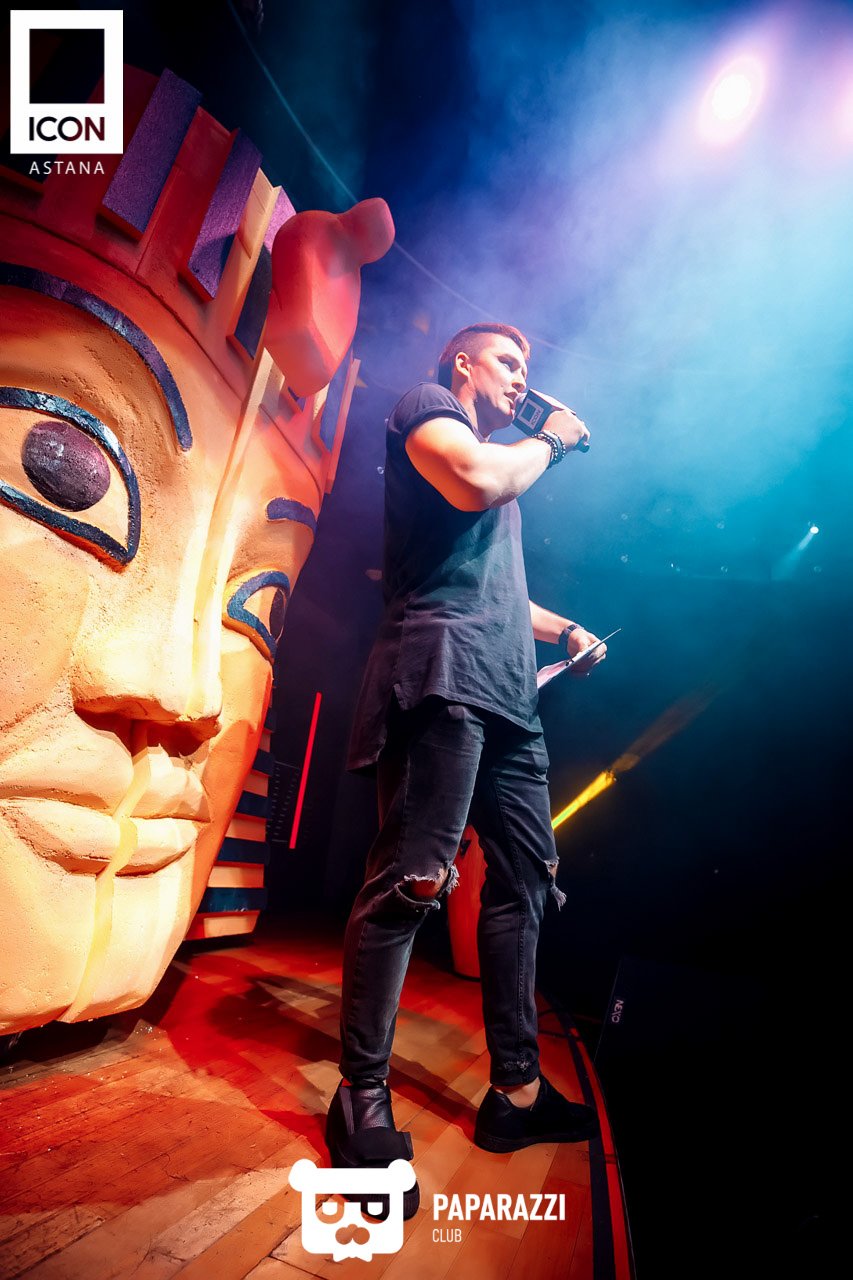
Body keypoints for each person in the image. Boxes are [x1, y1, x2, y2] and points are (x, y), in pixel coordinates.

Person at [327, 322, 607, 1216]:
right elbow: (480, 479)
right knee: (412, 883)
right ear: (463, 364)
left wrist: (564, 631)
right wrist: (551, 440)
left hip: (509, 695)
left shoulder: (496, 467)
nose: (523, 378)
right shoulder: (431, 412)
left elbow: (498, 590)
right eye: (508, 362)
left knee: (525, 883)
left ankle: (515, 1092)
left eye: (528, 367)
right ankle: (359, 1097)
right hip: (441, 675)